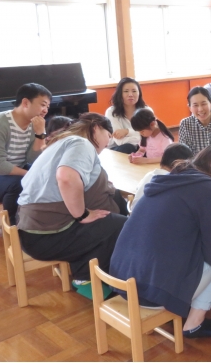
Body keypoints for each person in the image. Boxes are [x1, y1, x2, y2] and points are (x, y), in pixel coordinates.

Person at [110, 145, 211, 338]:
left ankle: (189, 313)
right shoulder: (210, 189)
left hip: (121, 282)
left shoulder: (170, 179)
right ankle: (194, 322)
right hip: (150, 294)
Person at [16, 113, 128, 294]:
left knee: (108, 218)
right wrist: (82, 215)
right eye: (108, 135)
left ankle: (87, 272)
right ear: (96, 127)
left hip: (34, 231)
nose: (108, 143)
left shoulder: (61, 142)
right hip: (47, 235)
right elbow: (66, 177)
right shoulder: (81, 143)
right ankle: (86, 279)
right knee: (119, 224)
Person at [0, 83, 51, 224]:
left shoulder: (34, 125)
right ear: (25, 102)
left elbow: (32, 159)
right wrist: (29, 175)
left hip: (15, 171)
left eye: (48, 106)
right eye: (43, 105)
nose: (45, 110)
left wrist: (40, 134)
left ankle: (40, 222)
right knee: (18, 184)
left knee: (49, 173)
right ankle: (16, 228)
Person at [131, 144, 193, 212]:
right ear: (178, 164)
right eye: (187, 165)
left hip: (133, 214)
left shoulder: (150, 174)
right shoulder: (171, 183)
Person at [105, 78, 148, 154]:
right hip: (117, 149)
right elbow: (119, 141)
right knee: (128, 147)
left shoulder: (147, 110)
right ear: (120, 94)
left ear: (139, 93)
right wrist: (140, 135)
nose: (130, 95)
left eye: (134, 91)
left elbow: (150, 134)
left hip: (141, 147)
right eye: (126, 91)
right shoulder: (111, 112)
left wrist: (127, 132)